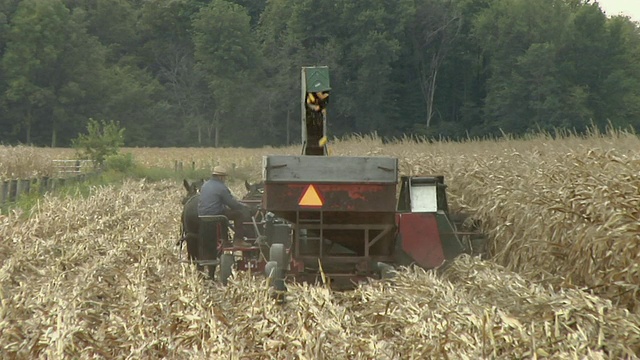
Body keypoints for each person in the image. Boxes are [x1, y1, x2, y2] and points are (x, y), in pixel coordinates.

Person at [198, 165, 253, 247]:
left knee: (225, 212)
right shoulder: (221, 187)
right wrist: (244, 207)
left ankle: (225, 239)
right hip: (216, 213)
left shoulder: (205, 185)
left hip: (202, 214)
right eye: (224, 177)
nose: (225, 179)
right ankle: (238, 240)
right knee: (239, 215)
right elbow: (232, 204)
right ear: (220, 177)